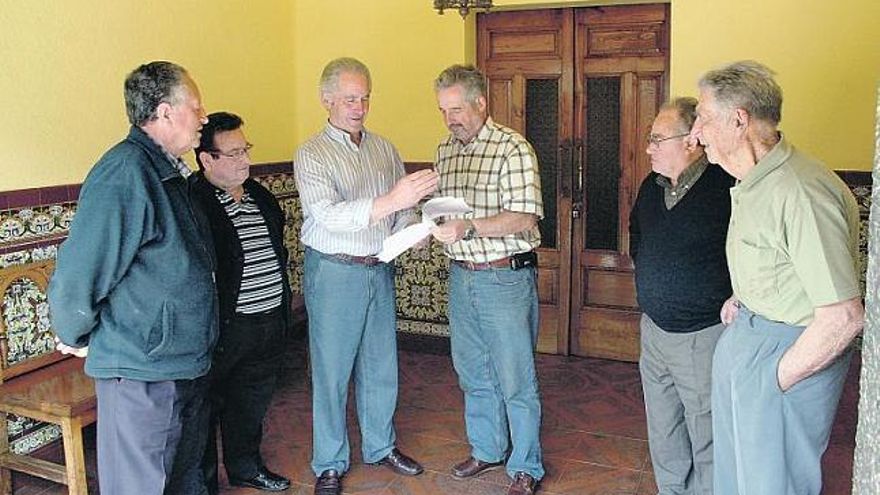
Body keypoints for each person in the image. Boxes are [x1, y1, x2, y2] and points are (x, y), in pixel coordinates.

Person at [690, 60, 864, 495]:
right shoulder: (753, 182)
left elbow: (843, 317)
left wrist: (774, 378)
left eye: (703, 117)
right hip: (752, 342)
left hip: (785, 354)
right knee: (737, 480)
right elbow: (781, 263)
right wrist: (743, 297)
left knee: (771, 485)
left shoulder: (799, 191)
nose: (696, 132)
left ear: (739, 119)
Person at [48, 61, 216, 495]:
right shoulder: (126, 171)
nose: (203, 117)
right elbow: (80, 272)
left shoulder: (167, 171)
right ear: (163, 112)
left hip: (175, 364)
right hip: (141, 371)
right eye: (195, 107)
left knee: (178, 481)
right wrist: (77, 335)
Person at [293, 57, 437, 495]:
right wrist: (393, 199)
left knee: (380, 365)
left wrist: (414, 231)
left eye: (365, 97)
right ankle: (330, 462)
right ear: (327, 100)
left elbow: (401, 211)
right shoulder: (311, 153)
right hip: (335, 271)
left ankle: (380, 446)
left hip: (379, 267)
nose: (359, 106)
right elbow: (328, 215)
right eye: (350, 98)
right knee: (332, 371)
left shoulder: (384, 148)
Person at [430, 64, 545, 495]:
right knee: (473, 372)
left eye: (456, 109)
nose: (450, 119)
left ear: (481, 102)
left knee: (515, 377)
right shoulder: (446, 150)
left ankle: (526, 465)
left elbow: (525, 215)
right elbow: (446, 210)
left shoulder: (512, 148)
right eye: (443, 110)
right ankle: (487, 448)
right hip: (462, 276)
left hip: (504, 279)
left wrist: (469, 227)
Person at [630, 97, 735, 495]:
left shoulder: (727, 187)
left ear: (691, 140)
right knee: (663, 424)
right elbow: (637, 238)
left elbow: (747, 254)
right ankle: (671, 489)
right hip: (654, 329)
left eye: (657, 139)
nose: (648, 148)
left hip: (703, 334)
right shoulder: (651, 187)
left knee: (706, 428)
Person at [191, 112, 292, 493]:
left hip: (267, 321)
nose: (245, 160)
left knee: (250, 402)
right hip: (222, 328)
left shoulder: (260, 196)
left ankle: (246, 467)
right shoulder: (194, 202)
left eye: (245, 150)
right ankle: (202, 485)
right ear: (206, 160)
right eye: (233, 154)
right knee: (204, 410)